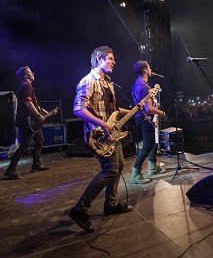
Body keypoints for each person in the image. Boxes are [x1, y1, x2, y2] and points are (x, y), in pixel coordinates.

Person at [68, 46, 132, 232]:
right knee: (110, 170)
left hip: (113, 133)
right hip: (99, 136)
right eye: (110, 58)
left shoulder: (109, 83)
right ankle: (79, 209)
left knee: (119, 166)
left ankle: (111, 204)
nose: (114, 61)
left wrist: (136, 110)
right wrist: (102, 124)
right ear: (99, 60)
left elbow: (114, 110)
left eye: (113, 58)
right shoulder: (88, 81)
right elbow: (78, 109)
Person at [4, 66, 51, 180]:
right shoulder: (26, 86)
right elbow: (27, 103)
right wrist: (38, 115)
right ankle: (10, 170)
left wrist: (45, 112)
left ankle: (36, 164)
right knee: (24, 145)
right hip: (28, 121)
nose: (33, 74)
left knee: (39, 141)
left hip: (32, 120)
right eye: (30, 72)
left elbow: (34, 104)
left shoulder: (26, 86)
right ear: (25, 76)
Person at [130, 61, 166, 184]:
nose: (151, 69)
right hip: (145, 118)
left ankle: (152, 168)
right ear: (145, 70)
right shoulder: (145, 87)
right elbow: (148, 109)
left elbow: (146, 104)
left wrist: (155, 104)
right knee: (148, 145)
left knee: (151, 144)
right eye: (149, 67)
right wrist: (161, 113)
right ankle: (135, 173)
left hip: (140, 118)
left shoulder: (137, 84)